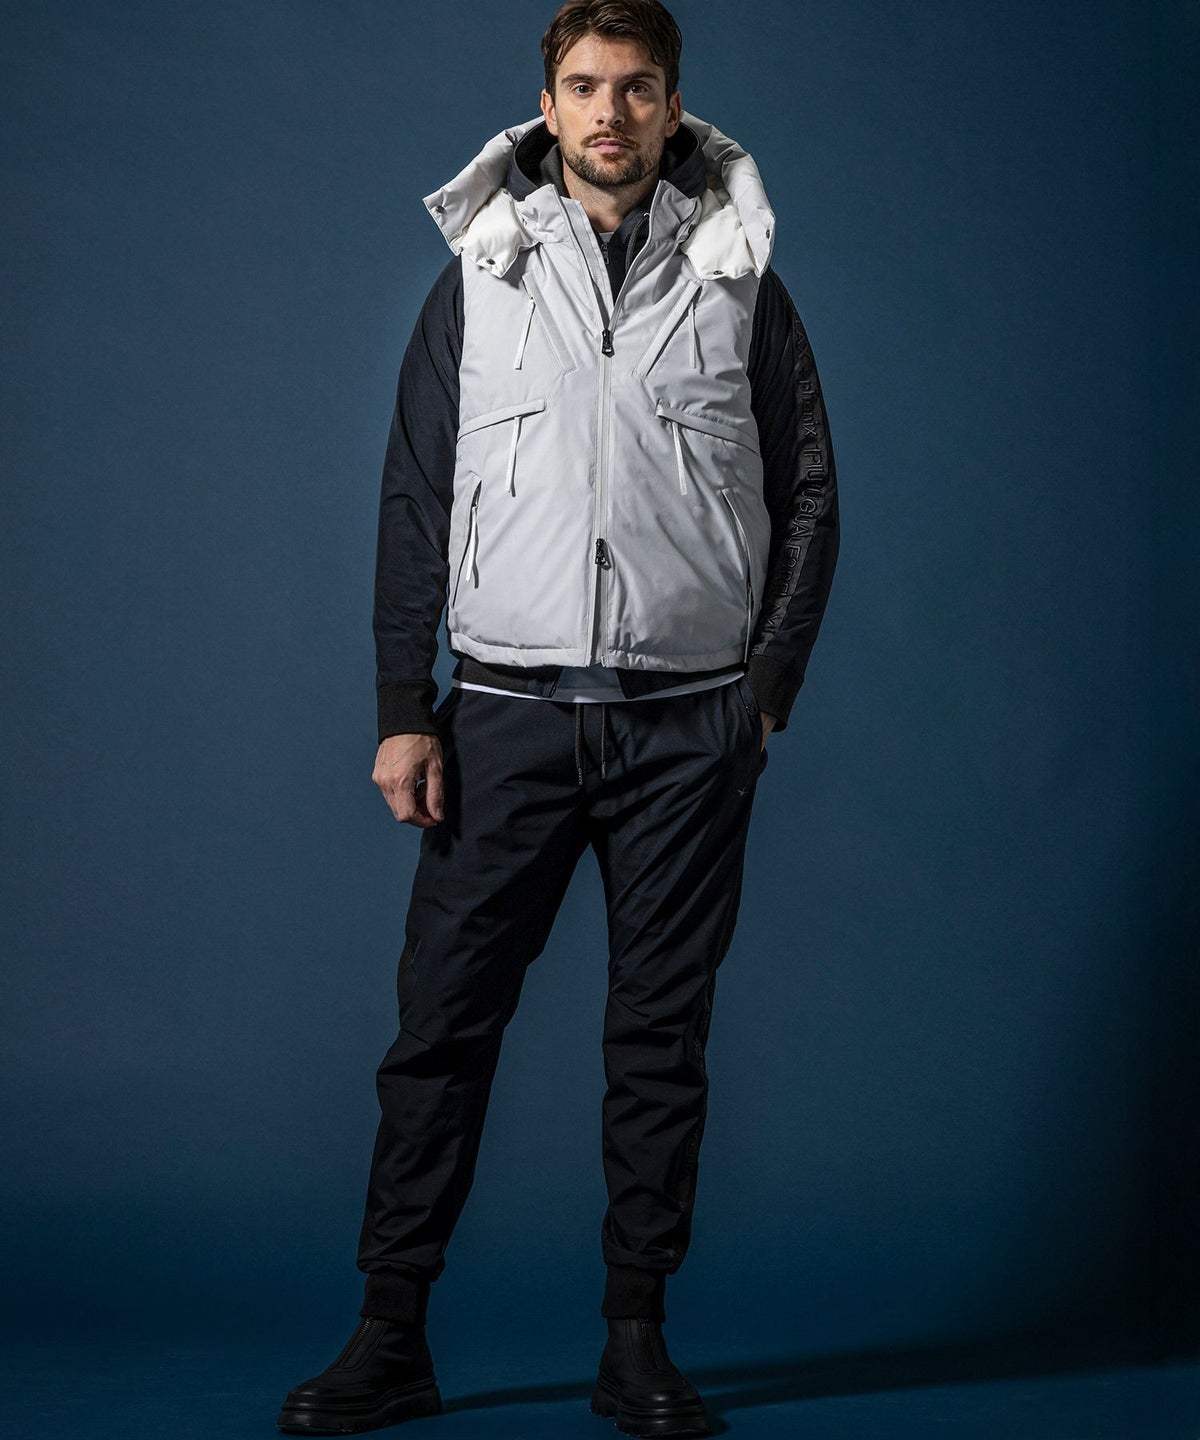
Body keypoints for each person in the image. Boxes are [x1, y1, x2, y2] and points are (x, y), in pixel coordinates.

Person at [277, 1, 839, 1434]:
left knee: (660, 1040)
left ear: (672, 106)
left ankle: (635, 1341)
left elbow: (810, 496)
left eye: (637, 88)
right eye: (584, 86)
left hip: (687, 734)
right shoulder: (481, 273)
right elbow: (415, 501)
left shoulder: (739, 281)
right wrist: (405, 708)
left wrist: (764, 693)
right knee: (440, 1031)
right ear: (545, 103)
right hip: (504, 722)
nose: (609, 113)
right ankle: (390, 1333)